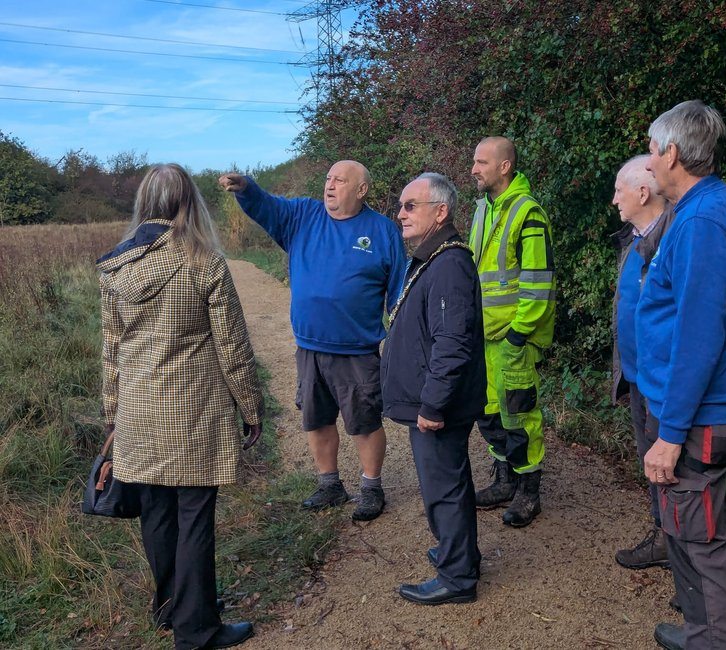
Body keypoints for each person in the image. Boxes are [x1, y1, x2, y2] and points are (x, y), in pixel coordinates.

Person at [98, 163, 263, 649]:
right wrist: (250, 407)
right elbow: (232, 345)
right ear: (188, 201)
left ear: (144, 202)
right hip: (194, 412)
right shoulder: (204, 260)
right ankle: (196, 629)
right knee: (194, 516)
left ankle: (173, 607)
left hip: (138, 414)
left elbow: (110, 352)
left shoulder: (115, 268)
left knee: (157, 513)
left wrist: (112, 416)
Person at [638, 100, 726, 649]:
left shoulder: (704, 221)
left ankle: (717, 641)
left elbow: (699, 337)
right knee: (684, 529)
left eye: (651, 150)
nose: (647, 162)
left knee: (701, 537)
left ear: (672, 153)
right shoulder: (700, 211)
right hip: (687, 409)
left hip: (696, 417)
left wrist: (670, 433)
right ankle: (700, 633)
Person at [219, 162, 406, 521]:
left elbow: (398, 292)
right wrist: (246, 188)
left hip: (357, 349)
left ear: (361, 190)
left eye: (340, 180)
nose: (330, 185)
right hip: (311, 348)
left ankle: (371, 487)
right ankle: (329, 484)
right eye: (328, 179)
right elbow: (268, 206)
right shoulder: (303, 216)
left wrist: (404, 341)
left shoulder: (382, 231)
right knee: (316, 419)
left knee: (364, 422)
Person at [382, 172, 485, 605]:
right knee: (445, 482)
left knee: (444, 489)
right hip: (432, 401)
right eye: (401, 206)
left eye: (411, 206)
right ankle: (458, 554)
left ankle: (457, 578)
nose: (401, 213)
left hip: (438, 406)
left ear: (440, 212)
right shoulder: (433, 258)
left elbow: (453, 342)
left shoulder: (448, 264)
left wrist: (432, 404)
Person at [468, 136, 556, 527]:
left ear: (504, 167)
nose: (474, 169)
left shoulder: (528, 212)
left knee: (520, 415)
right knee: (489, 413)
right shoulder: (482, 210)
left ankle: (528, 493)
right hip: (484, 338)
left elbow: (538, 283)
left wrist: (519, 334)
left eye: (482, 162)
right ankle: (504, 480)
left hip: (513, 339)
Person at [610, 155, 675, 570]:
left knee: (671, 466)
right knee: (650, 460)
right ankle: (664, 535)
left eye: (620, 191)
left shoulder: (674, 239)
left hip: (663, 380)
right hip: (638, 377)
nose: (614, 199)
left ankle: (682, 547)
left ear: (643, 192)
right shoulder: (633, 240)